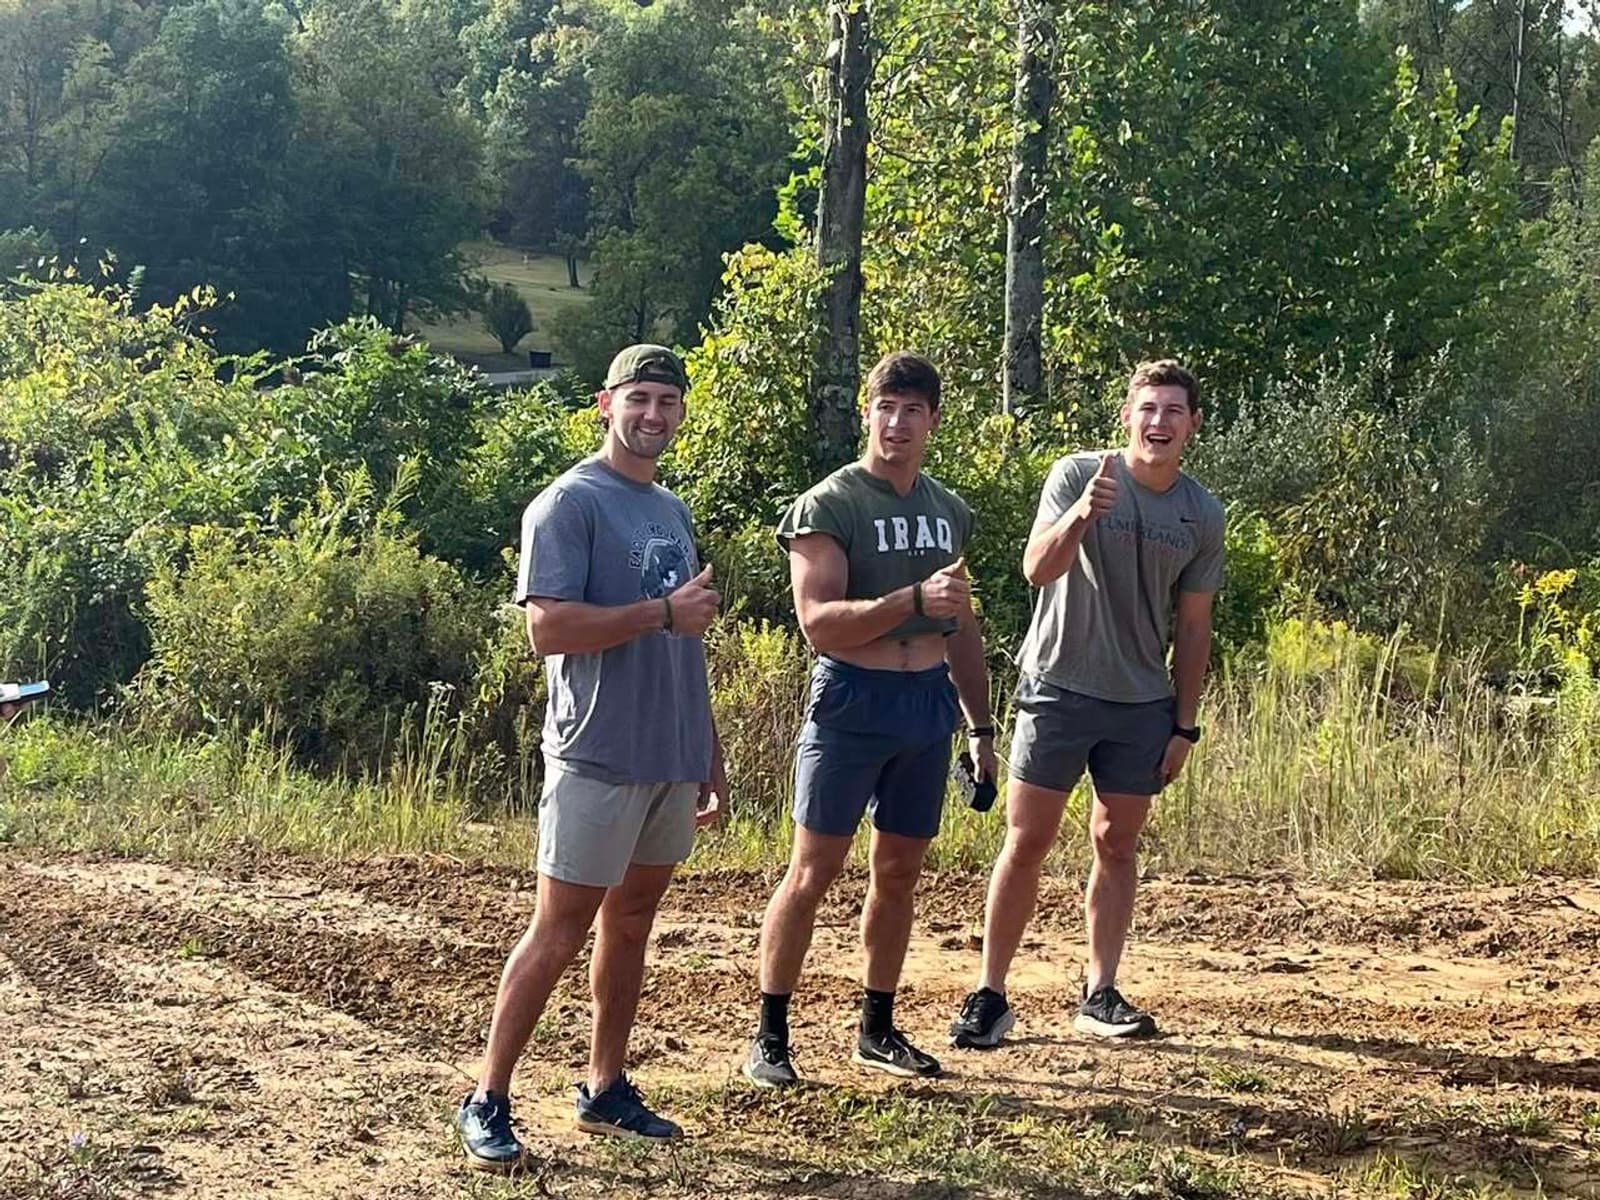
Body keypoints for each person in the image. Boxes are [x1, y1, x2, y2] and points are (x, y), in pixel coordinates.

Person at [456, 344, 729, 1171]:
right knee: (561, 927)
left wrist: (706, 753)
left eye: (668, 401)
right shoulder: (568, 504)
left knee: (634, 923)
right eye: (639, 398)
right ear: (604, 405)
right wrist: (658, 614)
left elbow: (689, 641)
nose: (654, 414)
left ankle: (605, 1086)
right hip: (598, 754)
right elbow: (548, 629)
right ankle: (486, 1098)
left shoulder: (670, 510)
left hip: (667, 754)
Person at [949, 359, 1224, 1049]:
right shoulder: (1079, 475)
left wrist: (1185, 724)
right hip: (1058, 688)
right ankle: (991, 994)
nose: (1158, 423)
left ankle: (1100, 993)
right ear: (1127, 415)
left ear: (1192, 424)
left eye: (1172, 411)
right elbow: (1035, 570)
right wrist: (1080, 514)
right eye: (1147, 409)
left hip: (1141, 704)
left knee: (1116, 842)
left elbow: (1194, 625)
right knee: (1027, 840)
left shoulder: (1200, 511)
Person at [743, 351, 996, 1088]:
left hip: (927, 710)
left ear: (933, 422)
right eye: (886, 407)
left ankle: (877, 1028)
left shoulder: (948, 511)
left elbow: (964, 627)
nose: (897, 422)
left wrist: (981, 729)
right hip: (854, 701)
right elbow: (819, 623)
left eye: (913, 410)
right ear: (866, 412)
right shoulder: (831, 505)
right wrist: (910, 604)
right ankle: (770, 1033)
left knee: (900, 873)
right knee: (813, 871)